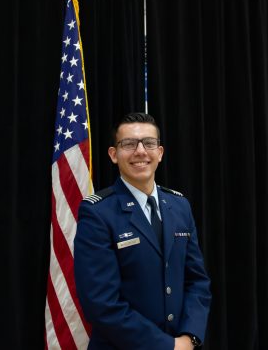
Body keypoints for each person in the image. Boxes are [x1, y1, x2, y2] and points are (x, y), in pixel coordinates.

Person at [74, 112, 211, 350]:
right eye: (129, 144)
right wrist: (168, 346)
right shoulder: (97, 213)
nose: (140, 151)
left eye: (149, 143)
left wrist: (190, 337)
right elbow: (102, 304)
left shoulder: (180, 206)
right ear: (113, 155)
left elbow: (197, 282)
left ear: (160, 152)